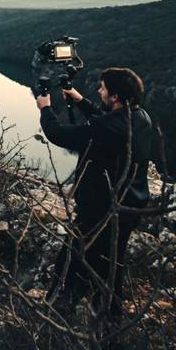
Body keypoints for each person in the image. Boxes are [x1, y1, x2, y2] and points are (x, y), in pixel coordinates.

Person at [33, 67, 153, 315]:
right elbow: (104, 120)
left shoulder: (108, 128)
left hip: (100, 214)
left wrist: (45, 107)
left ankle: (56, 317)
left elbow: (58, 134)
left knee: (69, 264)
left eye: (102, 88)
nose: (99, 91)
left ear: (116, 97)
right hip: (128, 208)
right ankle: (108, 331)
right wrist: (79, 100)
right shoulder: (139, 118)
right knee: (110, 271)